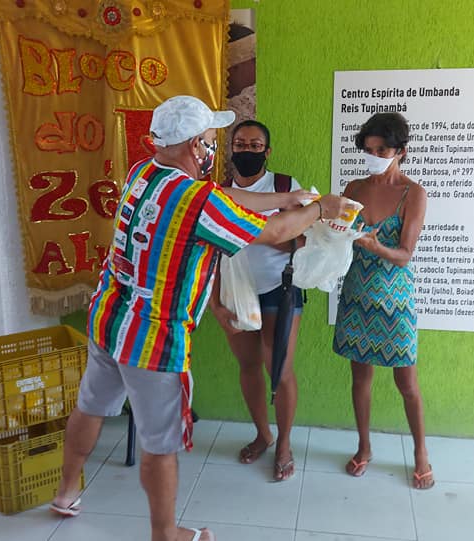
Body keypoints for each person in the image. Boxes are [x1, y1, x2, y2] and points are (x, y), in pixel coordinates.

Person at [51, 95, 347, 541]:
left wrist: (286, 196)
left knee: (90, 407)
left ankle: (65, 492)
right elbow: (275, 231)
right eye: (210, 140)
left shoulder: (143, 172)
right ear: (195, 146)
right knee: (161, 444)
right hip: (152, 339)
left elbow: (223, 196)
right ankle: (165, 533)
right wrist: (321, 209)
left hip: (109, 318)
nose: (214, 149)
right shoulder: (196, 200)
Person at [332, 112, 434, 489]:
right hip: (357, 293)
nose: (374, 156)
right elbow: (340, 232)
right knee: (360, 377)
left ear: (400, 151)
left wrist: (375, 247)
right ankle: (364, 446)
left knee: (407, 382)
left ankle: (421, 452)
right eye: (369, 149)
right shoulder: (355, 187)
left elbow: (405, 254)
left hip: (394, 299)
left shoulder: (413, 193)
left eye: (382, 150)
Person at [209, 120, 303, 481]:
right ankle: (263, 435)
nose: (246, 151)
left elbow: (303, 240)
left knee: (279, 370)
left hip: (279, 289)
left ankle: (284, 443)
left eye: (255, 145)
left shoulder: (285, 188)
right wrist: (215, 304)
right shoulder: (218, 193)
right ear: (230, 149)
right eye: (240, 144)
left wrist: (268, 236)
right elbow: (210, 253)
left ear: (267, 151)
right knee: (248, 366)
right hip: (234, 292)